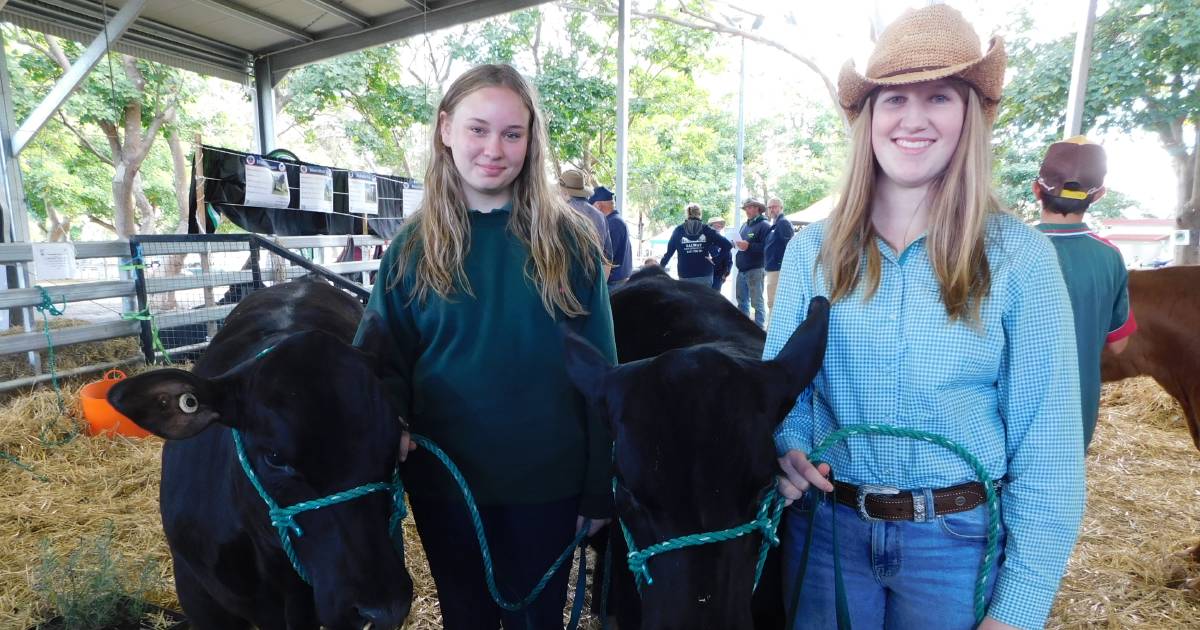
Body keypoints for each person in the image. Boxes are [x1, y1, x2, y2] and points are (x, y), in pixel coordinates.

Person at [765, 6, 1084, 630]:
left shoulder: (1021, 258)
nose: (913, 119)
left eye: (938, 96)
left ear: (970, 114)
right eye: (894, 100)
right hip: (829, 537)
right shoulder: (813, 250)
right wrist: (792, 449)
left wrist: (1017, 610)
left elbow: (1048, 453)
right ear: (869, 118)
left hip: (958, 546)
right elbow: (785, 394)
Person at [359, 64, 616, 630]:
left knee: (536, 617)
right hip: (446, 485)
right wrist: (394, 418)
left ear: (531, 140)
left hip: (549, 487)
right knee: (466, 615)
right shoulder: (410, 251)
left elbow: (603, 375)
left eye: (512, 133)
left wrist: (599, 490)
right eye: (478, 129)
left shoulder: (570, 245)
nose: (493, 149)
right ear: (446, 129)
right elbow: (381, 364)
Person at [1034, 136, 1136, 449]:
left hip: (1007, 412)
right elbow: (1120, 346)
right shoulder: (1109, 256)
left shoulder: (1008, 248)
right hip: (1076, 414)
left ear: (1037, 189)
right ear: (1099, 195)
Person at [659, 203, 732, 286]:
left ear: (687, 214)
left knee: (687, 299)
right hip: (705, 274)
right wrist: (716, 259)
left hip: (685, 274)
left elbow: (669, 254)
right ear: (700, 214)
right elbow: (728, 245)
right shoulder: (706, 230)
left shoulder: (679, 230)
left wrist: (659, 269)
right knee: (704, 299)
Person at [559, 168, 614, 275]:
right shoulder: (600, 216)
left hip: (568, 281)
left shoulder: (560, 215)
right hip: (594, 278)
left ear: (565, 193)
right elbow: (607, 258)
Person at [734, 198, 770, 326]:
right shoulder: (745, 225)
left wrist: (749, 246)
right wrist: (736, 244)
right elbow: (742, 243)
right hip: (742, 270)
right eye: (746, 208)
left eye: (750, 207)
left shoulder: (765, 226)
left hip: (755, 269)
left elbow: (767, 247)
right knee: (742, 301)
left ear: (757, 208)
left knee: (757, 302)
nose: (747, 210)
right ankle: (744, 329)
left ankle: (760, 329)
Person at [590, 185, 634, 287]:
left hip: (614, 283)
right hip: (617, 281)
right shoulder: (615, 220)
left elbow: (606, 256)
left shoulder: (613, 223)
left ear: (598, 206)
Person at [764, 197, 795, 314]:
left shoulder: (783, 223)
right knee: (772, 301)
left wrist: (781, 264)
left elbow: (790, 245)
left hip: (778, 269)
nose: (772, 209)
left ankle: (772, 330)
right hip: (772, 268)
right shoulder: (775, 224)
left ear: (781, 208)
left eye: (774, 206)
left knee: (774, 302)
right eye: (769, 207)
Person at [708, 217, 734, 292]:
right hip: (706, 275)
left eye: (721, 225)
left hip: (718, 276)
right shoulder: (704, 240)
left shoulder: (724, 240)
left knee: (715, 298)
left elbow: (729, 260)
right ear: (710, 226)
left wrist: (725, 273)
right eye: (716, 225)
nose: (719, 226)